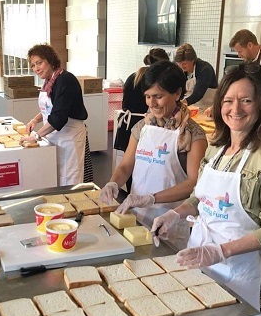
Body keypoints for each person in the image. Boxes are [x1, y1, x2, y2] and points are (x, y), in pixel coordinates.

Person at [152, 62, 261, 316]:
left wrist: (221, 251)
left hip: (236, 271)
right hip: (197, 259)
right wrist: (176, 214)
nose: (236, 109)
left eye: (246, 100)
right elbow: (200, 198)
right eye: (229, 100)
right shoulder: (216, 148)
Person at [101, 60, 208, 249]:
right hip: (134, 216)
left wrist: (151, 198)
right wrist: (113, 182)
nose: (152, 104)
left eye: (158, 96)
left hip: (168, 221)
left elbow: (193, 183)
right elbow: (126, 166)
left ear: (177, 93)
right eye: (148, 96)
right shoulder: (143, 126)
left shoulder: (192, 134)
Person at [21, 44, 89, 186]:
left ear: (50, 60)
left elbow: (59, 116)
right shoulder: (50, 81)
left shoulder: (65, 80)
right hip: (54, 136)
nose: (36, 69)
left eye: (39, 63)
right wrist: (36, 119)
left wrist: (35, 136)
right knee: (55, 176)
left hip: (69, 137)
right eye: (33, 65)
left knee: (69, 179)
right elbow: (51, 107)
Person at [114, 48, 169, 191]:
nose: (152, 102)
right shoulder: (150, 80)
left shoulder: (135, 75)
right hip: (140, 122)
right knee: (136, 162)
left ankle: (131, 190)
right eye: (149, 97)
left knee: (132, 160)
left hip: (126, 122)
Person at [173, 43, 217, 107]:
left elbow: (197, 94)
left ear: (193, 60)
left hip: (207, 106)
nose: (181, 66)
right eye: (179, 63)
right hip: (192, 105)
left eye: (184, 63)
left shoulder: (205, 69)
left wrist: (180, 105)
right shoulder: (181, 69)